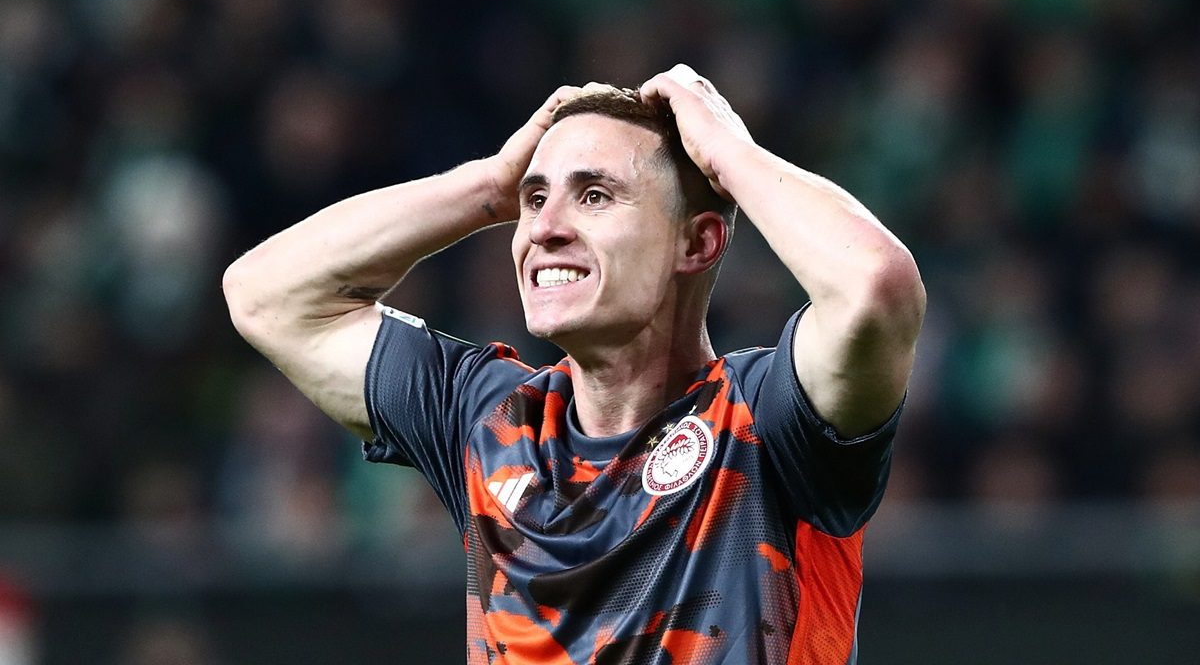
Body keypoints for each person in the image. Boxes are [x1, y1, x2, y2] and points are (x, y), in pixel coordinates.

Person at [223, 64, 925, 664]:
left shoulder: (769, 422)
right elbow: (266, 297)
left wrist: (729, 155)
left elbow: (875, 286)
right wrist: (486, 187)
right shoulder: (487, 419)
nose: (545, 228)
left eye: (594, 196)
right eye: (535, 199)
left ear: (698, 243)